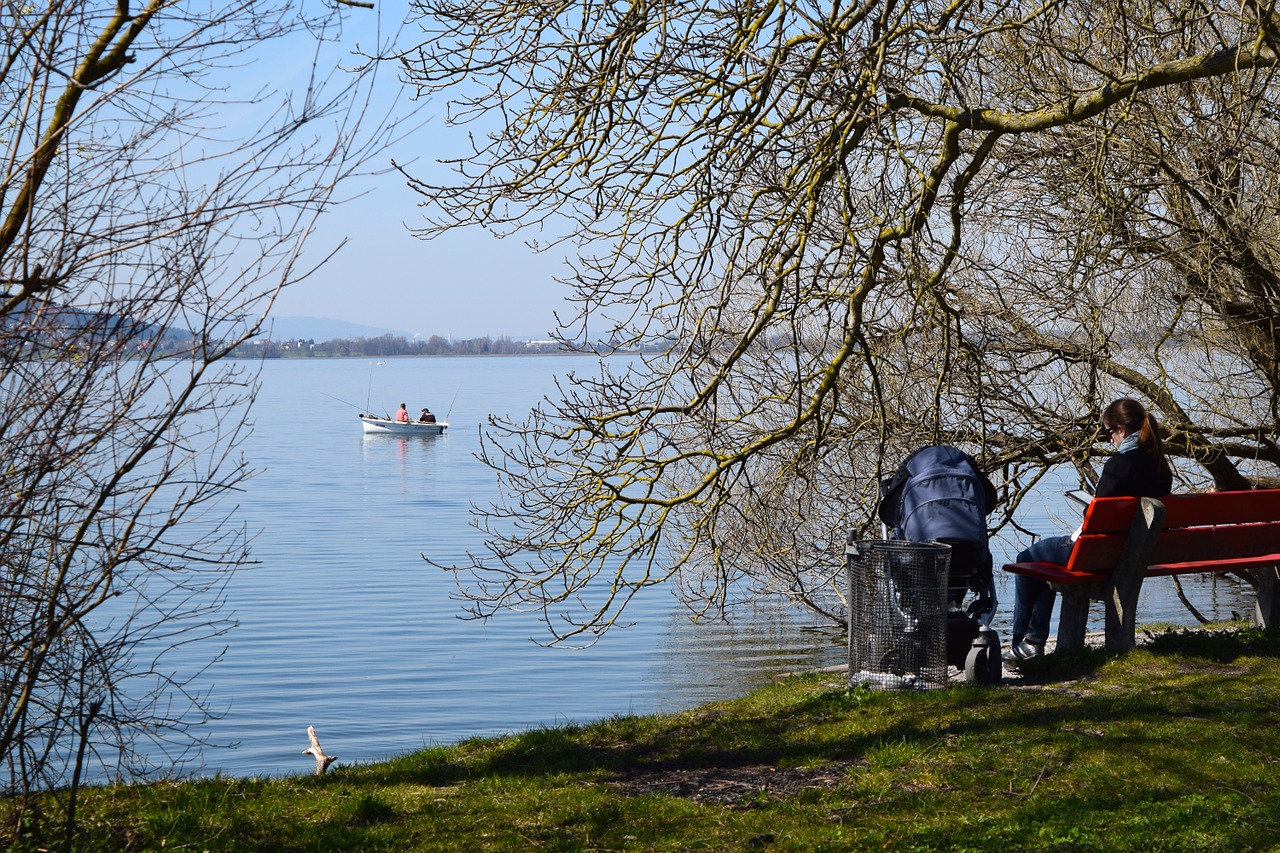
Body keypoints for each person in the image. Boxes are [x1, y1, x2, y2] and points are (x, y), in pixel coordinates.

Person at [1009, 398, 1173, 660]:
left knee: (1027, 559)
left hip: (1097, 555)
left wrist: (1089, 507)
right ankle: (1032, 641)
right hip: (1135, 555)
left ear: (1121, 429)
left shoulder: (1119, 465)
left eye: (1109, 433)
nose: (1110, 440)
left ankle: (1025, 644)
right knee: (1042, 563)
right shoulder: (1161, 467)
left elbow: (1094, 518)